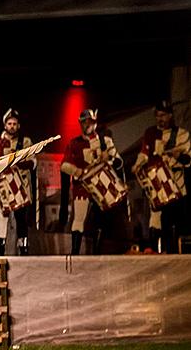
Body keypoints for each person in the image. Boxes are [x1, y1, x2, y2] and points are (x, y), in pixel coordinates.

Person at [60, 109, 124, 254]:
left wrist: (110, 159)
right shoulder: (74, 143)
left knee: (101, 220)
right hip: (82, 187)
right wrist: (79, 172)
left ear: (95, 123)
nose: (87, 125)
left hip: (103, 186)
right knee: (79, 218)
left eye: (90, 122)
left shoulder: (105, 141)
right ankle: (75, 252)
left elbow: (118, 161)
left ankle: (97, 252)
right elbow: (64, 165)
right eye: (84, 122)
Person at [133, 100, 190, 253]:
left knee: (173, 222)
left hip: (176, 186)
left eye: (163, 115)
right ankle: (156, 253)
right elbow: (144, 154)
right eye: (158, 115)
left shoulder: (181, 134)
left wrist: (179, 156)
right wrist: (137, 164)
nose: (160, 119)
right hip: (157, 184)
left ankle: (171, 254)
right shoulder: (150, 133)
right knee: (155, 219)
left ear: (170, 115)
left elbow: (189, 159)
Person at [0, 109, 35, 255]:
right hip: (3, 187)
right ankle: (0, 249)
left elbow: (33, 163)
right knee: (3, 217)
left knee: (22, 220)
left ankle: (23, 248)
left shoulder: (25, 142)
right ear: (5, 125)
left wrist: (16, 164)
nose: (12, 126)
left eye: (15, 124)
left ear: (18, 126)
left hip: (21, 187)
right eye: (9, 123)